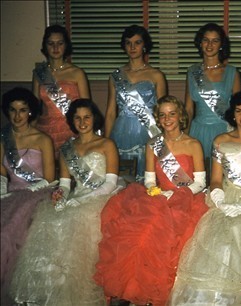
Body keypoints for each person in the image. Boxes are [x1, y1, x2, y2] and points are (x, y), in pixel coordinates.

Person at [169, 90, 241, 305]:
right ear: (233, 113)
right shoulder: (220, 141)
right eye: (239, 111)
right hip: (227, 196)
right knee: (218, 235)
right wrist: (220, 199)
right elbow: (216, 180)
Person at [94, 95, 208, 305]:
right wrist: (156, 192)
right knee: (139, 236)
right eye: (162, 115)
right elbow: (148, 180)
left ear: (180, 116)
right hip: (158, 199)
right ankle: (133, 290)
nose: (167, 119)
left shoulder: (193, 144)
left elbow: (200, 183)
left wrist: (178, 195)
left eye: (172, 114)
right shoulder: (153, 144)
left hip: (187, 200)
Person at [9, 98, 123, 305]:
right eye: (77, 118)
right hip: (76, 196)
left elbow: (110, 183)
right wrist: (60, 195)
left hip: (104, 196)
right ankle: (56, 287)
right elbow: (63, 184)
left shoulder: (107, 144)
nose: (82, 122)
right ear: (72, 121)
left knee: (78, 221)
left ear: (94, 119)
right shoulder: (67, 149)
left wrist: (82, 201)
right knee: (48, 220)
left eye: (86, 117)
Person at [0, 87, 55, 304]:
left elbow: (50, 179)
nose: (17, 116)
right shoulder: (3, 139)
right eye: (12, 110)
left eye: (22, 110)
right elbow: (2, 175)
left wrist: (24, 193)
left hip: (38, 193)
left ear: (30, 112)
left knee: (7, 234)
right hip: (10, 195)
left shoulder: (42, 139)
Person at [105, 24, 167, 181]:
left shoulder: (156, 75)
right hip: (120, 131)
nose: (132, 47)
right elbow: (111, 112)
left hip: (148, 131)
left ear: (145, 45)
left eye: (137, 42)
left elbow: (163, 112)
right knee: (121, 180)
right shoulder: (115, 76)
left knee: (148, 179)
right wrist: (104, 143)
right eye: (128, 43)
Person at [185, 22, 241, 172]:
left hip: (224, 131)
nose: (210, 45)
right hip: (198, 131)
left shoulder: (232, 72)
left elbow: (239, 110)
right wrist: (183, 137)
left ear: (221, 44)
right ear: (200, 43)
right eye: (206, 40)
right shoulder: (192, 72)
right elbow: (189, 110)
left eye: (215, 40)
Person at [33, 24, 91, 157]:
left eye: (60, 43)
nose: (55, 48)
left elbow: (87, 108)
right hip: (45, 130)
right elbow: (34, 108)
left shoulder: (77, 73)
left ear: (66, 46)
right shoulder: (39, 73)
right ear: (45, 46)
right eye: (50, 43)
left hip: (72, 129)